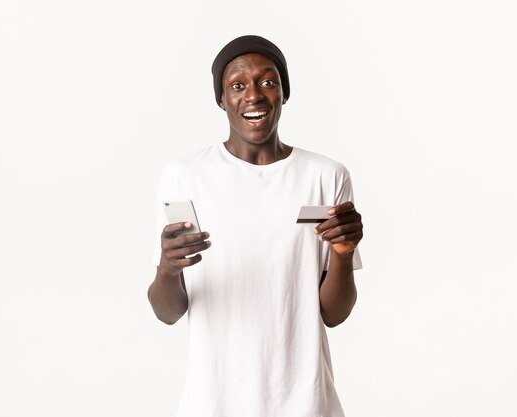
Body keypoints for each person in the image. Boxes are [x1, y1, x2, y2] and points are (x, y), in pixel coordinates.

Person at [147, 35, 363, 417]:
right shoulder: (186, 177)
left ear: (283, 93)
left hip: (307, 403)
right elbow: (167, 312)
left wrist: (343, 257)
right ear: (221, 100)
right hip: (214, 404)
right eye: (237, 85)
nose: (254, 95)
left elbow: (334, 314)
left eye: (268, 82)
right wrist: (168, 268)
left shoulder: (325, 176)